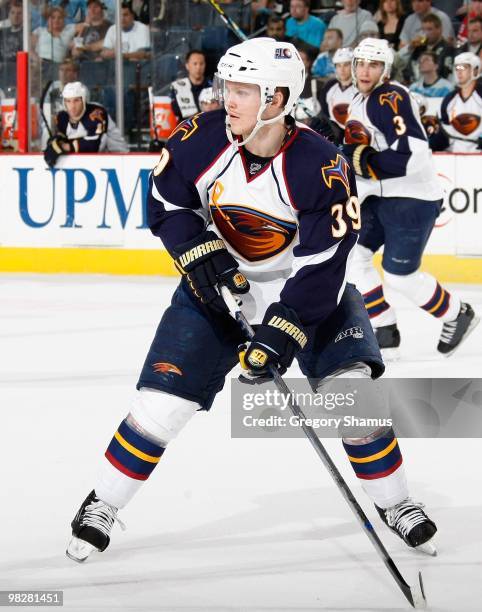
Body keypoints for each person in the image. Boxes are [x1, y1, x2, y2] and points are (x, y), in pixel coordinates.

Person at [66, 37, 437, 564]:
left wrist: (280, 333)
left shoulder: (321, 164)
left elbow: (323, 264)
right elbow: (168, 204)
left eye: (243, 89)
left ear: (278, 99)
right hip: (217, 290)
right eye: (227, 87)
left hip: (305, 292)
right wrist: (200, 252)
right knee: (162, 406)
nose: (228, 100)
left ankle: (396, 502)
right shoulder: (201, 137)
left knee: (355, 400)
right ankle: (102, 502)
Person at [341, 38, 478, 358]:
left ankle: (457, 313)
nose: (364, 70)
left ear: (385, 69)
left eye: (373, 65)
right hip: (379, 197)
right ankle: (384, 328)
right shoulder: (357, 102)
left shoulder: (389, 96)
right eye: (360, 63)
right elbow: (360, 153)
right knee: (354, 254)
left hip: (412, 198)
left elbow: (413, 153)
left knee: (400, 277)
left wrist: (369, 164)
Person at [43, 81, 128, 167]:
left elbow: (95, 146)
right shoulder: (62, 117)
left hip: (120, 161)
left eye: (76, 100)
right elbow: (63, 137)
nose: (72, 106)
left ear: (84, 100)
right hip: (89, 163)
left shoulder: (96, 113)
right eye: (68, 101)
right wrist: (55, 142)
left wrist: (63, 146)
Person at [427, 52, 482, 152]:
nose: (459, 72)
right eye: (457, 68)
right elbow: (444, 133)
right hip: (454, 157)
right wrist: (429, 145)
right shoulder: (449, 100)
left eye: (464, 67)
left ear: (475, 70)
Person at [314, 47, 356, 145]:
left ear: (353, 66)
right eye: (338, 65)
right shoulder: (330, 86)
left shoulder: (361, 88)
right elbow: (324, 112)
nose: (342, 69)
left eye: (346, 65)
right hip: (334, 135)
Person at [402, 13, 454, 82]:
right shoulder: (419, 48)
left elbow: (445, 73)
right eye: (423, 30)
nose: (426, 33)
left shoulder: (448, 49)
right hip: (415, 85)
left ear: (439, 29)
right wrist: (411, 47)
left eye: (429, 29)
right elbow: (408, 68)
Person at [170, 50, 211, 123]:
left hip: (208, 125)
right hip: (186, 127)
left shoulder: (212, 86)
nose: (198, 67)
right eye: (195, 64)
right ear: (187, 65)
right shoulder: (178, 86)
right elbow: (176, 110)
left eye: (201, 64)